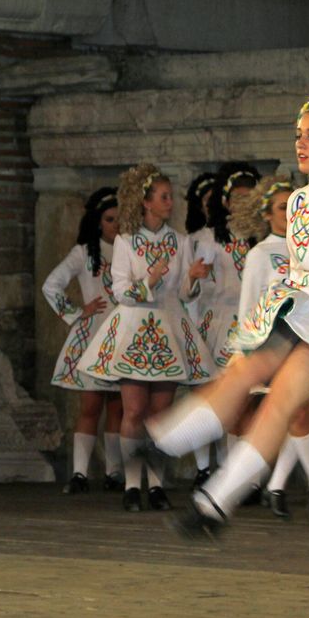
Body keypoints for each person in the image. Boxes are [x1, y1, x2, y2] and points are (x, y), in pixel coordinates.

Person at [147, 85, 309, 535]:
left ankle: (215, 505)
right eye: (298, 135)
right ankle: (160, 444)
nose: (300, 144)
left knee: (280, 403)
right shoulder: (302, 201)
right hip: (300, 308)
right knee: (241, 374)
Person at [82, 164, 214, 512]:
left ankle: (156, 485)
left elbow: (185, 295)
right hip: (135, 330)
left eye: (170, 196)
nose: (170, 202)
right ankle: (130, 485)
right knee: (134, 409)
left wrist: (194, 278)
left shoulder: (180, 241)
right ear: (145, 202)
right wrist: (149, 282)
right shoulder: (126, 241)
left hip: (168, 329)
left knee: (160, 413)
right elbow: (120, 291)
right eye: (164, 196)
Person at [228, 175, 309, 521]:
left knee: (304, 413)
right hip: (274, 344)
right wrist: (247, 352)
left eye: (295, 206)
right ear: (268, 214)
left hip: (308, 343)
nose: (290, 214)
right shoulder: (261, 254)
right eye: (281, 208)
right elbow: (249, 307)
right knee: (298, 413)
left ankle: (277, 486)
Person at [41, 187, 125, 494]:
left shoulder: (130, 250)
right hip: (93, 334)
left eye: (120, 219)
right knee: (90, 406)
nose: (115, 224)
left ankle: (115, 472)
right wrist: (77, 312)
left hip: (122, 334)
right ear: (98, 221)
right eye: (110, 219)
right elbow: (51, 285)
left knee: (118, 407)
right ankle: (79, 473)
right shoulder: (83, 253)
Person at [182, 167, 260, 488]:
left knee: (242, 400)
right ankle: (204, 468)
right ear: (226, 202)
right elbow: (188, 290)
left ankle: (235, 473)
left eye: (250, 199)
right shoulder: (208, 239)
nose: (243, 205)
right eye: (238, 199)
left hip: (250, 325)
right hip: (215, 324)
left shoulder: (261, 239)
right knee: (210, 397)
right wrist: (192, 278)